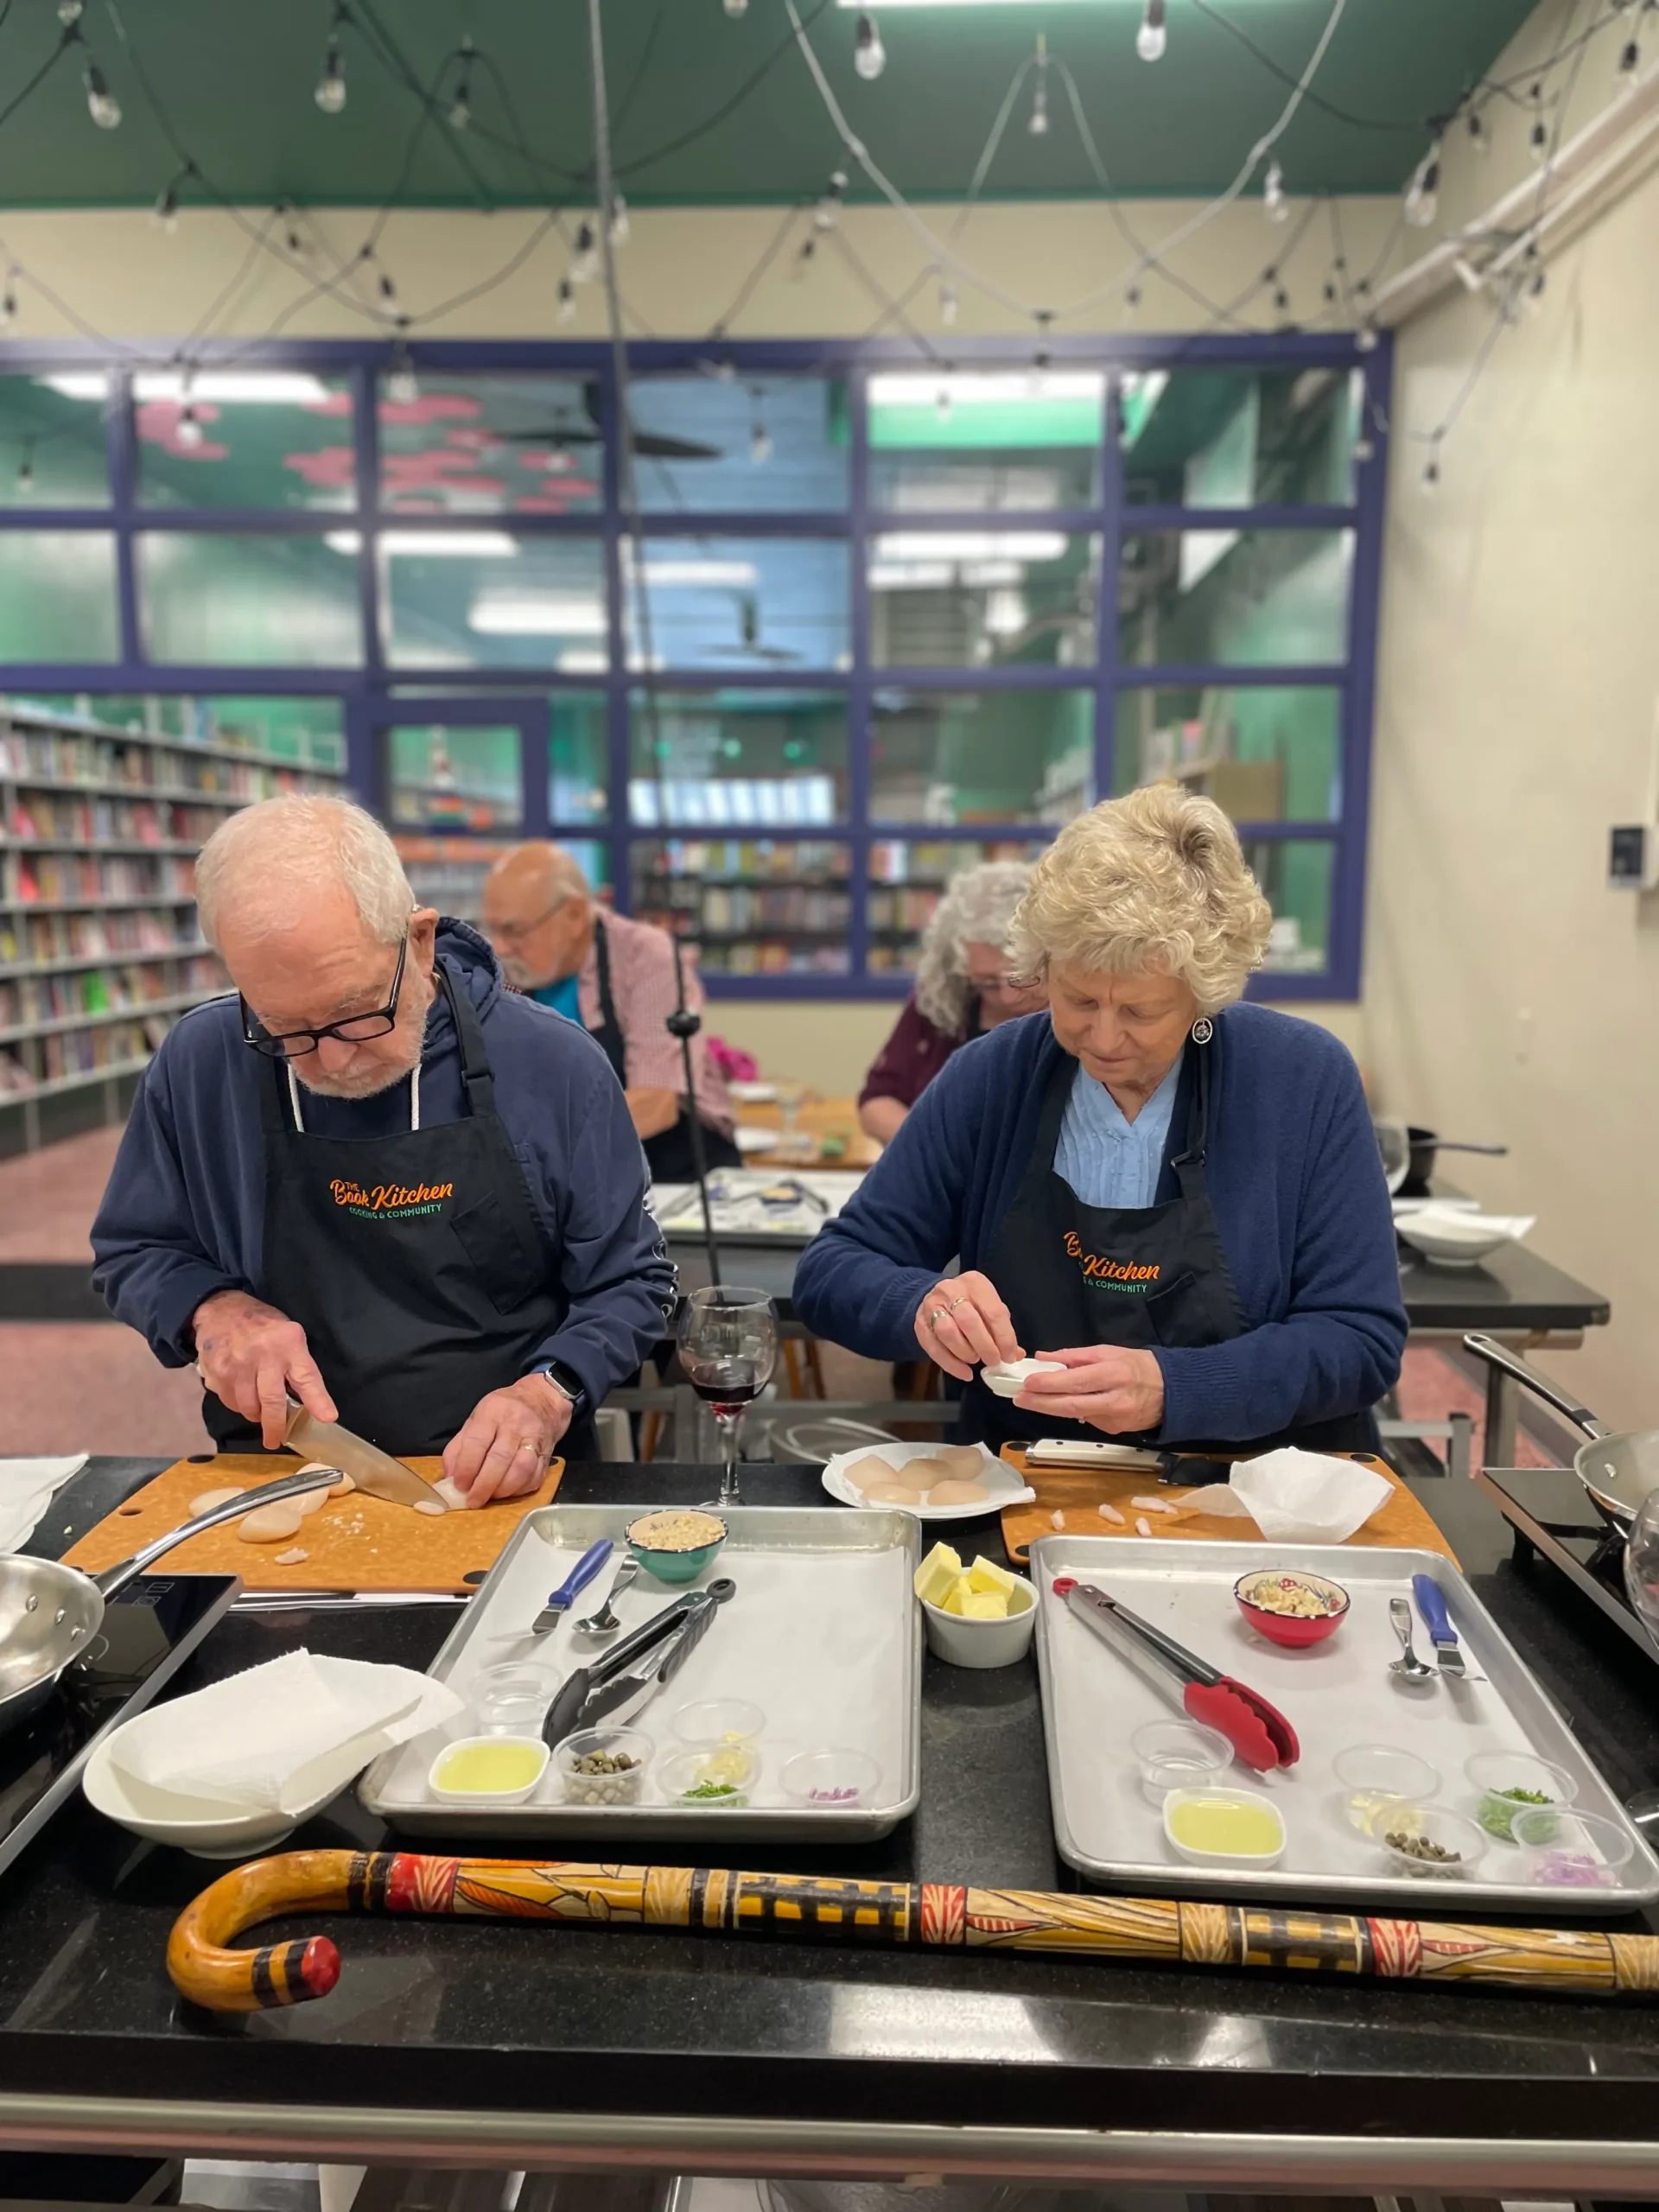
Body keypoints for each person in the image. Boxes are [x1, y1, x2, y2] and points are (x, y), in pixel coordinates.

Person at [92, 796, 676, 1503]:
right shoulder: (200, 1063)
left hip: (506, 1483)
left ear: (420, 940)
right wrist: (213, 1310)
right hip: (280, 1477)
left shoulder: (555, 1065)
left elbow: (633, 1282)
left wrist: (548, 1393)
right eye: (284, 1028)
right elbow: (136, 1247)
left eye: (355, 1014)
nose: (332, 1063)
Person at [796, 786, 1407, 1454]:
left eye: (1141, 1012)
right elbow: (834, 1269)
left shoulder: (1303, 1081)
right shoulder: (992, 1077)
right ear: (1043, 968)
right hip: (1027, 1481)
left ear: (1207, 992)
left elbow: (1359, 1337)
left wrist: (1177, 1387)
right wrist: (920, 1304)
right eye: (1079, 999)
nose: (1104, 1038)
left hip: (1259, 1493)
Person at [481, 843, 741, 1183]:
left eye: (515, 931)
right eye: (493, 930)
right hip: (566, 1178)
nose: (499, 947)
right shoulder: (501, 972)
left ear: (574, 915)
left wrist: (541, 1148)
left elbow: (655, 1104)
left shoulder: (644, 957)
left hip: (674, 1172)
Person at [858, 861, 1047, 1144]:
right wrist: (933, 1148)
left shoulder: (1080, 1012)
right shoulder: (941, 998)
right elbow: (878, 1099)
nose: (1008, 997)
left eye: (1021, 978)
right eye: (986, 982)